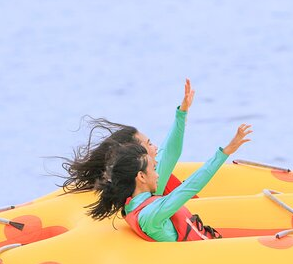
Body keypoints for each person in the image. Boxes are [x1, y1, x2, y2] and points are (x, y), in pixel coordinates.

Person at [87, 124, 253, 241]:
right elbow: (188, 188)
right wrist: (225, 152)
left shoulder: (135, 205)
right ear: (141, 177)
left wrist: (182, 113)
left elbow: (169, 153)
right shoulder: (149, 215)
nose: (158, 174)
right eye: (153, 168)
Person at [59, 78, 195, 196]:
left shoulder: (120, 182)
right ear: (135, 153)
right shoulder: (150, 178)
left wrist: (182, 114)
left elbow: (167, 148)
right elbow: (171, 151)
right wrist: (182, 113)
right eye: (149, 144)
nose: (155, 147)